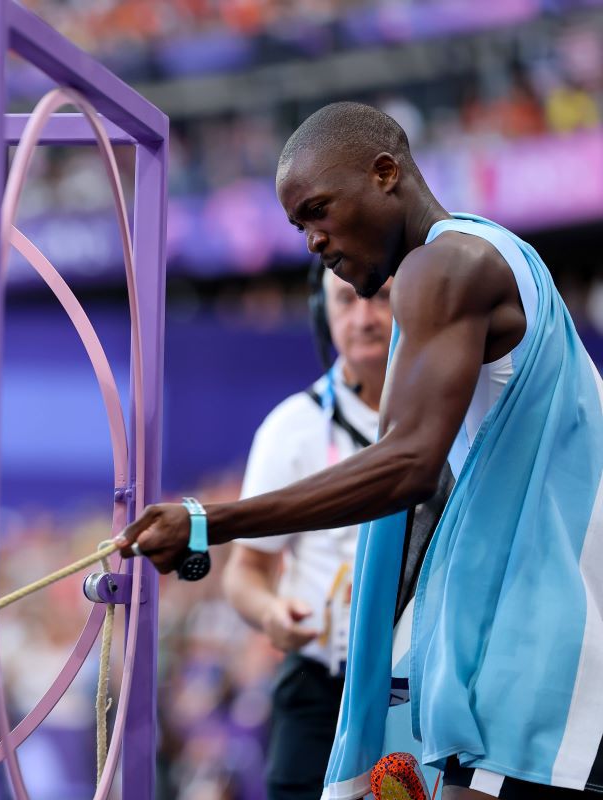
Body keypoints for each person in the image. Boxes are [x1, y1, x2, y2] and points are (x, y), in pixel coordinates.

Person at [117, 101, 603, 800]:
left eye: (318, 210)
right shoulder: (497, 257)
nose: (312, 240)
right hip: (531, 645)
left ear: (384, 173)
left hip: (530, 656)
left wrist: (207, 522)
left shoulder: (444, 268)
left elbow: (408, 467)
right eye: (298, 225)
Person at [222, 263, 389, 800]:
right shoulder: (292, 426)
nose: (363, 317)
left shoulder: (458, 410)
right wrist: (270, 613)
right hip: (323, 692)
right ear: (323, 313)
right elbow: (244, 573)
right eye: (345, 300)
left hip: (430, 691)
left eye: (380, 296)